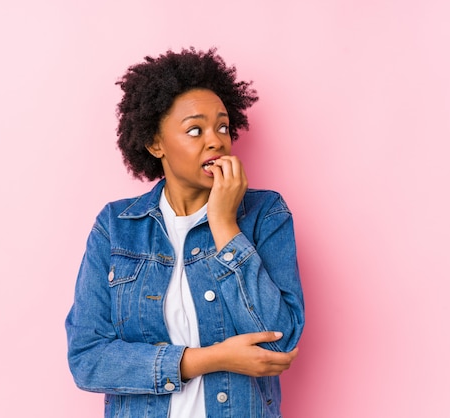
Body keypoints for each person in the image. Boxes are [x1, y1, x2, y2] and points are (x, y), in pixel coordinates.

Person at [65, 47, 305, 418]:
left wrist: (225, 225)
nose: (215, 140)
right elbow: (88, 359)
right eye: (195, 130)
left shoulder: (264, 214)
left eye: (222, 127)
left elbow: (279, 344)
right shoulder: (116, 227)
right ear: (155, 143)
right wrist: (207, 360)